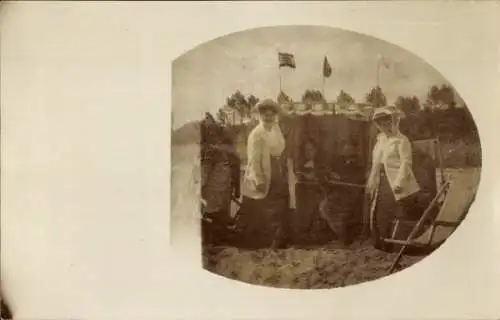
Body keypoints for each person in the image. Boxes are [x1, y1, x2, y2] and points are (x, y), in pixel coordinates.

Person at [366, 106, 421, 251]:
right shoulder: (380, 141)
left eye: (388, 124)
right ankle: (382, 244)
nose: (386, 128)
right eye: (382, 125)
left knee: (396, 213)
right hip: (382, 181)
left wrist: (399, 183)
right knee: (379, 213)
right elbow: (376, 163)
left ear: (394, 123)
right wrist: (373, 179)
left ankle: (396, 244)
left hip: (396, 182)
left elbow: (406, 163)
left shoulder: (402, 140)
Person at [237, 99, 290, 249]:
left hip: (277, 171)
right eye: (265, 116)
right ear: (260, 116)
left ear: (275, 116)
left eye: (271, 115)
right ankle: (265, 241)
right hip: (263, 171)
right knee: (266, 207)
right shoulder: (257, 134)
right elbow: (254, 159)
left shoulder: (276, 129)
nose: (268, 118)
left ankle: (279, 239)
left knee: (279, 204)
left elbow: (280, 148)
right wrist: (259, 178)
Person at [200, 113, 240, 246]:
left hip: (216, 190)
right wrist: (237, 189)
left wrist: (200, 187)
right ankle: (220, 236)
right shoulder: (228, 151)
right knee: (221, 214)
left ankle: (215, 239)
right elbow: (236, 170)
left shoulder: (210, 151)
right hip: (225, 189)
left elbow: (205, 174)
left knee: (212, 214)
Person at [319, 141, 365, 246]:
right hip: (336, 194)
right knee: (324, 207)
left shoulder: (359, 165)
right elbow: (327, 171)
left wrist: (340, 178)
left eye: (350, 150)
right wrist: (330, 175)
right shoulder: (338, 161)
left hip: (351, 196)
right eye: (345, 150)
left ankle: (344, 238)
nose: (347, 152)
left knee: (338, 212)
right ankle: (340, 235)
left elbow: (357, 180)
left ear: (355, 151)